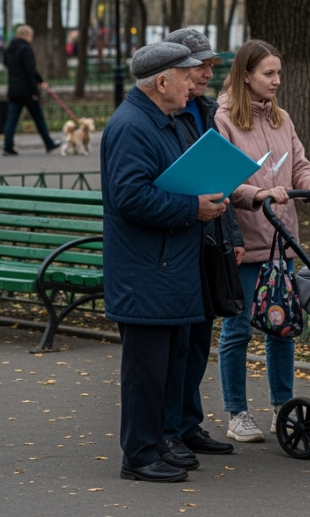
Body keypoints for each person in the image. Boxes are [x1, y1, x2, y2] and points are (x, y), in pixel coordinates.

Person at [100, 41, 228, 483]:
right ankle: (138, 456)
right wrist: (193, 208)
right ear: (161, 81)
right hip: (146, 271)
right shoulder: (132, 126)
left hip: (167, 266)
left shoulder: (162, 121)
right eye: (186, 76)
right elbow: (130, 197)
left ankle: (156, 446)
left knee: (165, 369)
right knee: (146, 372)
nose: (192, 85)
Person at [214, 38, 310, 443]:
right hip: (245, 242)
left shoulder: (282, 119)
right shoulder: (224, 120)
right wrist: (258, 194)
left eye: (278, 72)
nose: (277, 80)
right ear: (246, 75)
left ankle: (283, 406)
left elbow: (299, 165)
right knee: (238, 330)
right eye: (269, 73)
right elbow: (225, 181)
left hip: (282, 240)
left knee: (282, 328)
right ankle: (237, 412)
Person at [156, 28, 240, 464]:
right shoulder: (165, 114)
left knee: (198, 340)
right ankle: (168, 429)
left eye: (209, 66)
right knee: (178, 343)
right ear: (177, 70)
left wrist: (234, 236)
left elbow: (218, 178)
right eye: (200, 66)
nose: (208, 74)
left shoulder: (204, 111)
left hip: (208, 238)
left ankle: (188, 424)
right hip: (176, 241)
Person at [2, 25, 59, 155]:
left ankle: (7, 145)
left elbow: (7, 65)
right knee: (39, 118)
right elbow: (30, 71)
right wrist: (36, 90)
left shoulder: (10, 49)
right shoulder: (26, 49)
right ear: (27, 35)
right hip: (27, 91)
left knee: (11, 119)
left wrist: (40, 80)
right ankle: (49, 143)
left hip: (13, 90)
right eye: (31, 36)